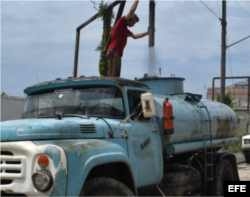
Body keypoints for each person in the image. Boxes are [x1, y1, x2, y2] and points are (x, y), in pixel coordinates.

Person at [107, 0, 149, 77]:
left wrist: (147, 33)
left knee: (116, 76)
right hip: (113, 51)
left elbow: (135, 37)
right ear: (129, 19)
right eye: (133, 22)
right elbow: (132, 10)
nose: (133, 25)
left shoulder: (125, 29)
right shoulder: (121, 22)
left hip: (118, 53)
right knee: (112, 76)